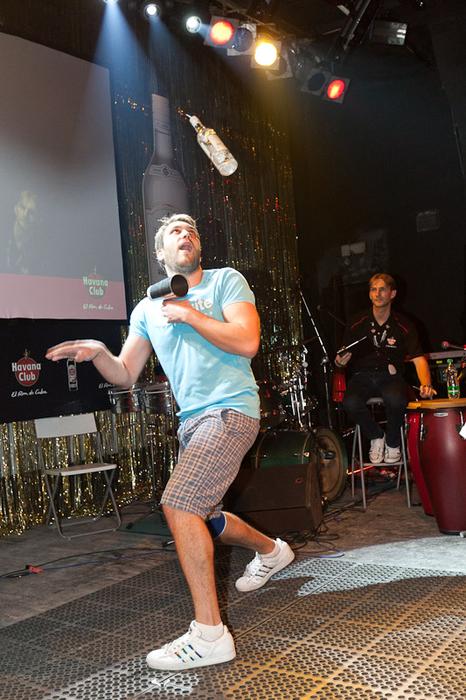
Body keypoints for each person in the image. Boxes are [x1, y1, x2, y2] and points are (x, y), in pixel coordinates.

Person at [46, 214, 295, 671]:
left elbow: (248, 341)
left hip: (231, 410)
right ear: (160, 254)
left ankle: (210, 636)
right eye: (175, 232)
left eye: (191, 230)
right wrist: (99, 353)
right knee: (206, 516)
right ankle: (271, 551)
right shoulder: (146, 310)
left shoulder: (225, 282)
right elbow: (125, 374)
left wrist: (192, 314)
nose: (186, 234)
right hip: (192, 422)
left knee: (179, 505)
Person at [335, 273, 435, 464]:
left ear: (392, 293)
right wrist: (340, 362)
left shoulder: (403, 324)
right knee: (350, 402)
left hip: (390, 377)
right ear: (369, 294)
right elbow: (341, 358)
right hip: (362, 376)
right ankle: (376, 436)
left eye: (382, 289)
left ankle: (393, 443)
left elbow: (419, 359)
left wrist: (426, 384)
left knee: (396, 399)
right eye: (373, 289)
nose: (377, 294)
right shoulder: (357, 322)